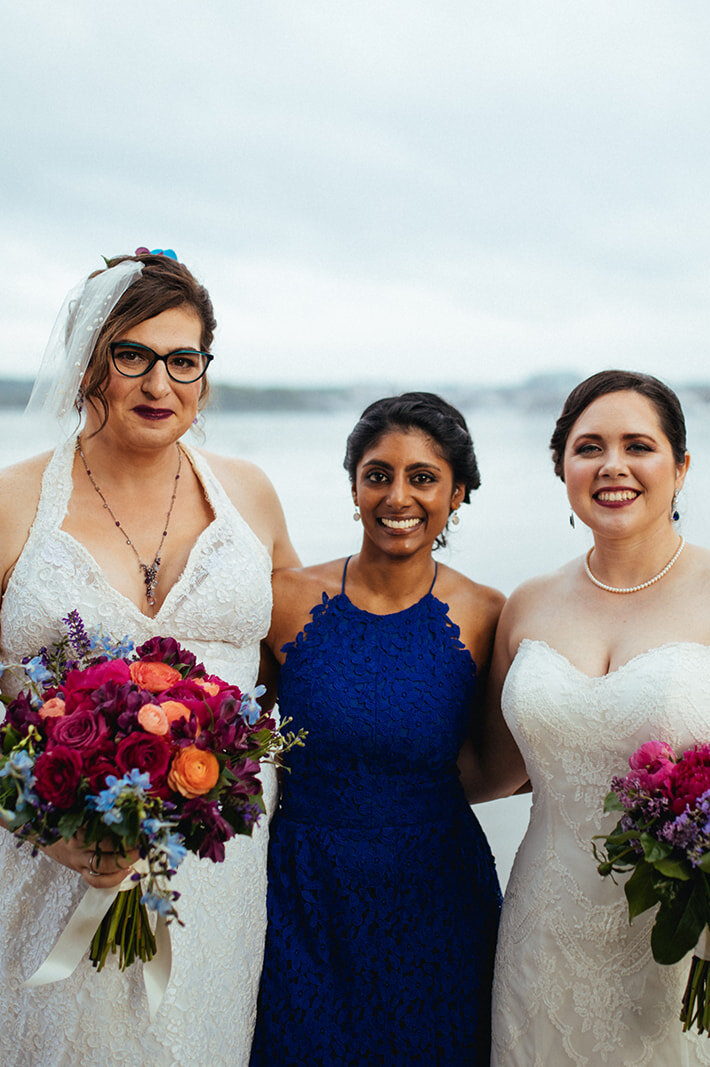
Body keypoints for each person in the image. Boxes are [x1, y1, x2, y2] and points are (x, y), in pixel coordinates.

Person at [0, 251, 298, 1066]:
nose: (160, 384)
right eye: (134, 355)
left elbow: (296, 664)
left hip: (221, 864)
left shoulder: (251, 496)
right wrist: (51, 829)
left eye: (183, 359)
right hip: (66, 859)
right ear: (89, 360)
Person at [478, 370, 710, 1066]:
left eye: (638, 445)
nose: (613, 465)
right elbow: (494, 767)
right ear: (563, 468)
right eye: (589, 447)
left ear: (680, 466)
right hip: (550, 930)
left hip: (695, 932)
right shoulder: (528, 605)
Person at [250, 393, 504, 1065]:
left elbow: (501, 762)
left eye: (423, 476)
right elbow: (234, 740)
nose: (399, 495)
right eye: (378, 473)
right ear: (354, 485)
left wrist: (405, 799)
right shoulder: (283, 598)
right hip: (306, 892)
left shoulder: (486, 612)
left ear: (459, 492)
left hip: (438, 891)